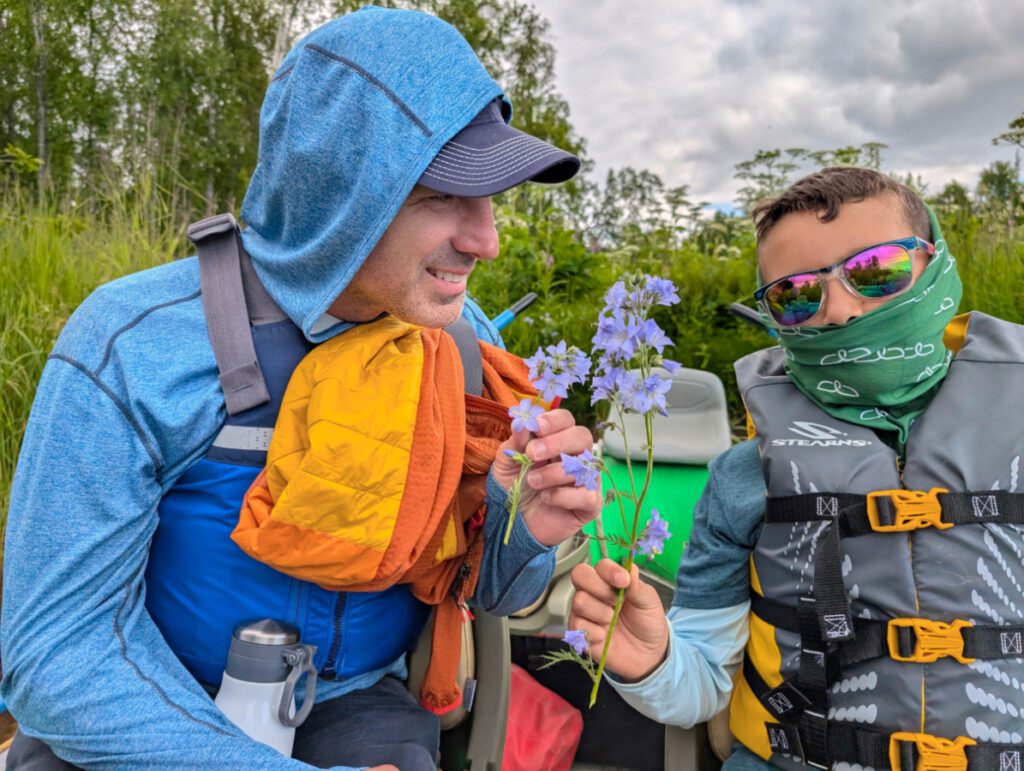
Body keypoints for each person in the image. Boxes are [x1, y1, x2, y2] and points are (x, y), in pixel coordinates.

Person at [1, 8, 601, 770]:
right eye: (442, 194)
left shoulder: (462, 341)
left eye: (489, 199)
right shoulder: (134, 344)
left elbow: (488, 592)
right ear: (342, 189)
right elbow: (58, 648)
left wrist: (528, 530)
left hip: (354, 708)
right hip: (139, 710)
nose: (485, 239)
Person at [569, 167, 1024, 770]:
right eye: (796, 295)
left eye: (876, 271)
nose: (838, 311)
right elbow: (700, 682)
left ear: (932, 262)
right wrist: (651, 663)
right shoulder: (742, 474)